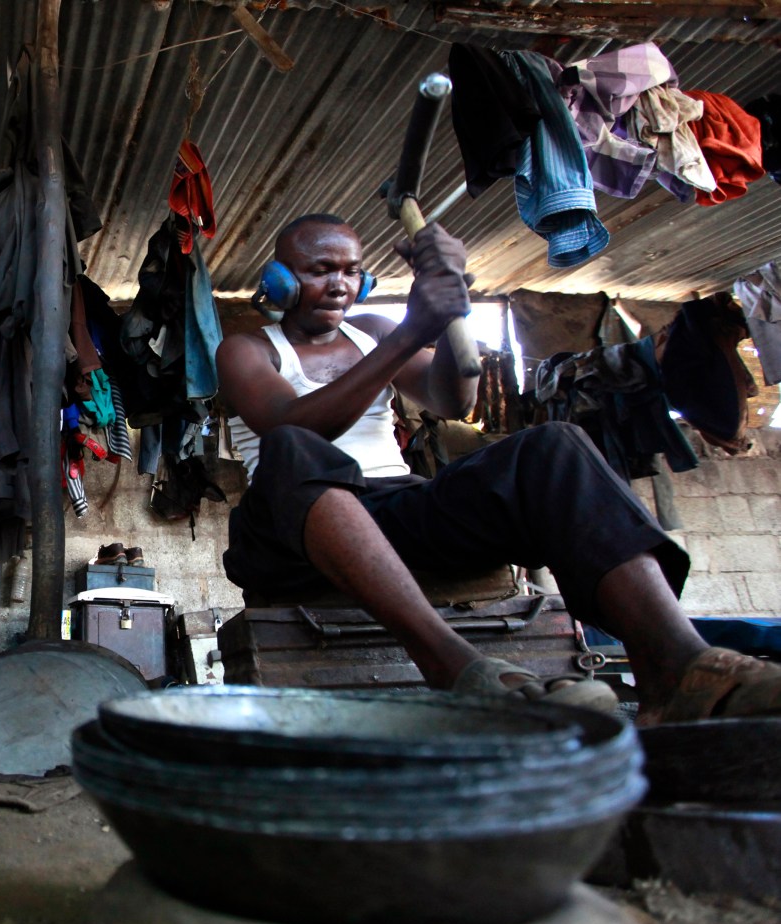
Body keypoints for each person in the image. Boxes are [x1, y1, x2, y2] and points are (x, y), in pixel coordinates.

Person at [217, 214, 781, 724]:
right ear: (280, 280)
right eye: (320, 270)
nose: (340, 284)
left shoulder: (372, 332)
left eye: (351, 271)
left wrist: (450, 310)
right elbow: (294, 425)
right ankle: (455, 666)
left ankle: (677, 668)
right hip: (291, 529)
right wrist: (413, 330)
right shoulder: (247, 348)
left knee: (555, 445)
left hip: (390, 514)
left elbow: (453, 399)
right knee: (293, 446)